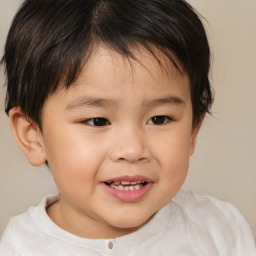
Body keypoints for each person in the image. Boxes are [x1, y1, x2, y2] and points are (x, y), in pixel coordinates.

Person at [0, 0, 255, 255]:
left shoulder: (219, 231)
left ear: (193, 129)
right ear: (33, 135)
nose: (132, 150)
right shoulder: (21, 247)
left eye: (159, 119)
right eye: (97, 121)